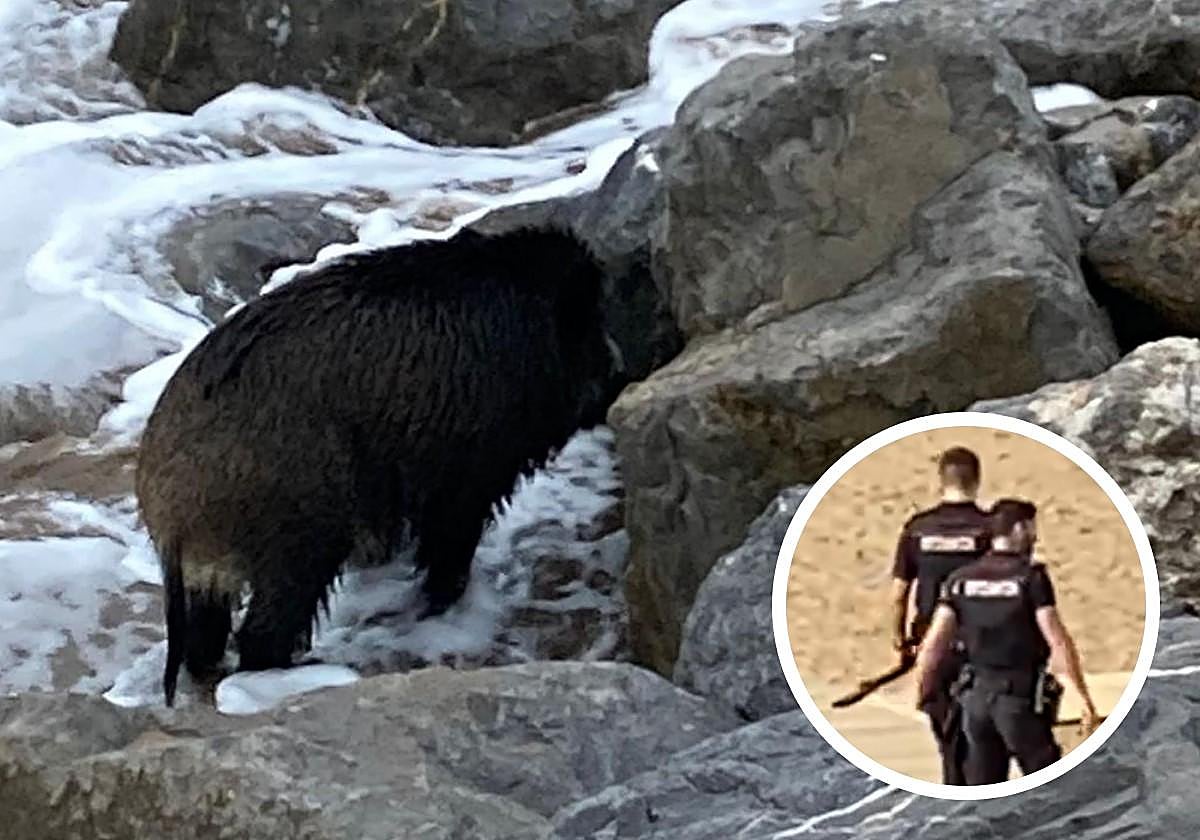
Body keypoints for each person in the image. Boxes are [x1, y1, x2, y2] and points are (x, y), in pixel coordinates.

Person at [914, 498, 1100, 785]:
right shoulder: (1030, 578)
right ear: (1018, 529)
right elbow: (1057, 639)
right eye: (1031, 529)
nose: (1035, 536)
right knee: (1050, 785)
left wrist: (923, 688)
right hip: (1018, 700)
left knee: (984, 786)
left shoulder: (959, 580)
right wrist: (1082, 696)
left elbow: (933, 645)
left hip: (974, 701)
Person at [888, 446, 991, 785]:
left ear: (940, 481)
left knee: (946, 733)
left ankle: (954, 784)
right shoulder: (991, 529)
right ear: (977, 480)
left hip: (932, 641)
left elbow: (899, 594)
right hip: (983, 642)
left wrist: (899, 638)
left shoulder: (918, 529)